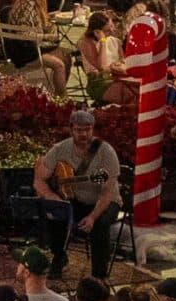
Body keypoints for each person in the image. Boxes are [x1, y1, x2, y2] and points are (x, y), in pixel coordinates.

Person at [32, 107, 122, 280]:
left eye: (88, 129)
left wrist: (92, 217)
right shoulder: (60, 149)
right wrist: (52, 197)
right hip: (74, 199)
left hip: (106, 201)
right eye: (79, 130)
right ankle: (59, 257)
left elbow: (108, 192)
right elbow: (39, 180)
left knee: (100, 224)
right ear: (71, 129)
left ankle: (99, 276)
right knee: (54, 214)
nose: (84, 134)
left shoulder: (105, 151)